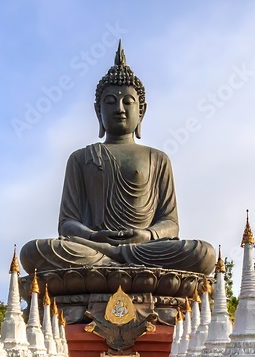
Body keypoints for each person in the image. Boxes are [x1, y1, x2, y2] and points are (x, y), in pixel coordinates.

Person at [20, 42, 216, 275]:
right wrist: (93, 236)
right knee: (34, 251)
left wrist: (148, 235)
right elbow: (66, 224)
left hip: (144, 248)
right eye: (110, 102)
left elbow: (170, 223)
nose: (119, 109)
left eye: (128, 102)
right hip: (94, 246)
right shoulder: (80, 158)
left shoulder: (158, 159)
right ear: (98, 111)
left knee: (204, 254)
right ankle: (118, 262)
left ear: (141, 111)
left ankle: (112, 262)